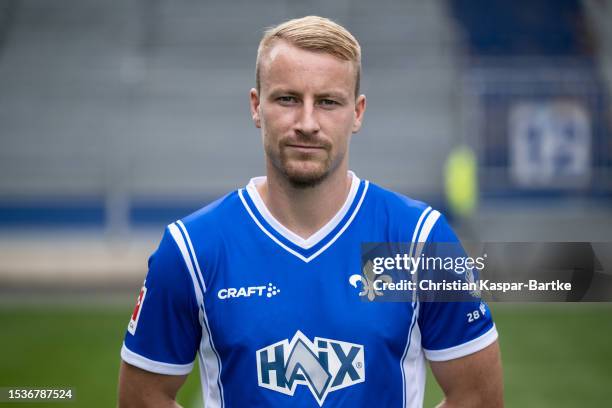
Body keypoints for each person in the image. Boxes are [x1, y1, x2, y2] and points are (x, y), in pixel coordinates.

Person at [117, 15, 503, 408]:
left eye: (328, 102)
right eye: (287, 99)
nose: (307, 123)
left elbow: (478, 397)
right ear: (256, 106)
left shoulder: (419, 240)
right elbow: (142, 398)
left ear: (357, 112)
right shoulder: (192, 249)